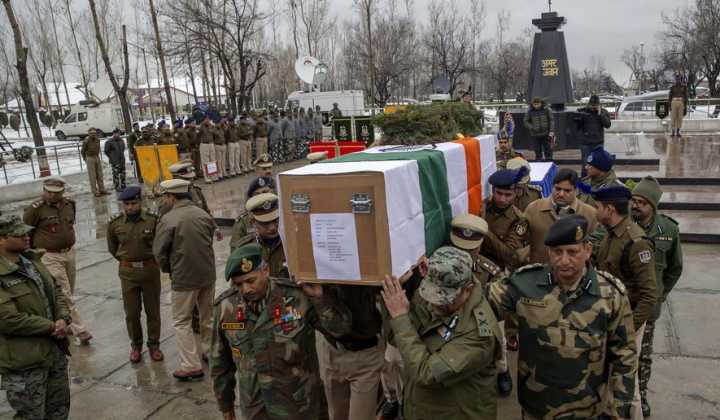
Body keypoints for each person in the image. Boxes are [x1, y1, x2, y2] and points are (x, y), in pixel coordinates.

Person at [488, 215, 638, 419]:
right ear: (549, 252)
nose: (564, 260)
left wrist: (618, 411)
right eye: (557, 252)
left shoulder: (610, 295)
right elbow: (479, 303)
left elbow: (624, 356)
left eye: (572, 252)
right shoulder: (524, 283)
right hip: (536, 407)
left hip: (587, 410)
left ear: (587, 250)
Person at [210, 244, 329, 420]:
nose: (245, 290)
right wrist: (226, 407)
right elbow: (220, 364)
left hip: (299, 407)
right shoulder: (225, 309)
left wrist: (321, 302)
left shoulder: (297, 297)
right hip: (256, 409)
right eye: (238, 284)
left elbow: (339, 332)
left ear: (265, 270)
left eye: (250, 281)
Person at [380, 246, 500, 420]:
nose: (435, 305)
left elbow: (426, 374)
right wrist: (396, 292)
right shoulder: (435, 293)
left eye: (444, 299)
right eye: (432, 295)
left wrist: (400, 318)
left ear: (468, 289)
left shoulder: (479, 335)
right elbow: (396, 337)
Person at [593, 185, 657, 420]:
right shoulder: (610, 234)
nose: (595, 210)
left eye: (597, 207)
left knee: (628, 385)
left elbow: (650, 294)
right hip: (609, 317)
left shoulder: (636, 241)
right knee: (610, 378)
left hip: (627, 322)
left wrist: (630, 329)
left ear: (609, 209)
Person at [0, 215, 72, 420]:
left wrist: (63, 318)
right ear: (1, 239)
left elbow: (56, 291)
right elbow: (7, 319)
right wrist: (51, 326)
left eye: (26, 232)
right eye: (19, 234)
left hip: (54, 352)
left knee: (58, 410)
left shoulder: (32, 261)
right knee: (30, 415)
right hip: (25, 362)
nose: (26, 236)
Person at [152, 179, 217, 381]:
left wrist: (169, 268)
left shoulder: (169, 219)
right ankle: (211, 353)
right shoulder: (203, 214)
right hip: (207, 274)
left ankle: (190, 365)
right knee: (208, 317)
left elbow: (159, 251)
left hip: (183, 278)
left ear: (171, 197)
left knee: (182, 321)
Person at [631, 176, 683, 417]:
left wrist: (661, 295)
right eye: (634, 200)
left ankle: (641, 396)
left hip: (649, 307)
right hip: (627, 302)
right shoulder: (625, 227)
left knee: (644, 357)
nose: (635, 205)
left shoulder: (669, 230)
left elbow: (675, 268)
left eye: (642, 202)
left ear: (653, 205)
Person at [24, 177, 93, 345]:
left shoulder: (70, 205)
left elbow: (69, 225)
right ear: (44, 190)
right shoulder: (35, 209)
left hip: (69, 253)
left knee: (69, 288)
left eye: (56, 193)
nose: (52, 195)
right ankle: (80, 329)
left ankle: (65, 320)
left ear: (62, 192)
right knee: (64, 292)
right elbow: (27, 232)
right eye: (48, 192)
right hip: (49, 255)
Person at [448, 214, 512, 397]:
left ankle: (502, 370)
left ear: (480, 245)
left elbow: (501, 301)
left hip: (484, 315)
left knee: (499, 340)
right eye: (460, 247)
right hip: (453, 317)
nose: (465, 253)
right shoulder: (442, 264)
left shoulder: (489, 269)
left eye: (471, 248)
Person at [106, 186, 164, 363]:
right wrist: (128, 262)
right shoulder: (115, 223)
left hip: (149, 271)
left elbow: (160, 244)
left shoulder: (152, 220)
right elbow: (113, 248)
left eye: (133, 203)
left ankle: (154, 345)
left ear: (140, 202)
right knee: (132, 313)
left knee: (152, 311)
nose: (130, 207)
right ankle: (136, 346)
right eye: (127, 204)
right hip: (128, 273)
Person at [524, 168, 598, 264]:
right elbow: (520, 240)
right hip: (539, 273)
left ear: (576, 191)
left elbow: (594, 246)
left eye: (567, 191)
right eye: (558, 189)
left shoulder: (589, 214)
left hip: (571, 273)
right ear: (552, 187)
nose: (561, 194)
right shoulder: (534, 209)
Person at [481, 168, 529, 271]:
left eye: (508, 195)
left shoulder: (519, 220)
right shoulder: (482, 207)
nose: (502, 199)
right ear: (493, 190)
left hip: (497, 268)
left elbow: (509, 254)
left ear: (516, 194)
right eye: (499, 193)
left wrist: (484, 230)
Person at [229, 176, 276, 252]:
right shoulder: (243, 222)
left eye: (265, 192)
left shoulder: (283, 214)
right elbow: (235, 251)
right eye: (257, 194)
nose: (261, 196)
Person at [575, 95, 612, 176]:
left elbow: (608, 125)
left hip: (598, 142)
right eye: (592, 105)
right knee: (585, 163)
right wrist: (581, 116)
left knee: (598, 163)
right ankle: (584, 181)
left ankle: (597, 181)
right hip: (585, 143)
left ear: (599, 105)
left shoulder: (603, 112)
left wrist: (600, 114)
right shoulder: (583, 111)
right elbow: (577, 127)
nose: (593, 107)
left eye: (595, 105)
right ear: (589, 104)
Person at [81, 127, 110, 197]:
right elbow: (82, 151)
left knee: (100, 174)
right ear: (88, 134)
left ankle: (102, 189)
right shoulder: (86, 140)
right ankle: (94, 191)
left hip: (97, 157)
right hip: (90, 157)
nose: (93, 134)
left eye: (94, 133)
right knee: (92, 176)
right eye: (91, 133)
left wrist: (98, 157)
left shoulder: (97, 140)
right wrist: (85, 158)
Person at [523, 97, 554, 161]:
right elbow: (525, 121)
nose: (536, 106)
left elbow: (551, 120)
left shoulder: (546, 110)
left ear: (541, 103)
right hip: (535, 134)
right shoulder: (530, 111)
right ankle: (538, 161)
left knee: (548, 149)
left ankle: (549, 160)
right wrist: (532, 127)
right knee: (537, 149)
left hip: (546, 133)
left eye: (538, 104)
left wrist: (551, 130)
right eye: (535, 104)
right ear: (533, 104)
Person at [198, 117, 217, 183]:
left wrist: (212, 126)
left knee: (212, 160)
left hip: (211, 144)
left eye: (208, 119)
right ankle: (207, 178)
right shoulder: (201, 127)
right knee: (205, 161)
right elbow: (198, 133)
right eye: (206, 119)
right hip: (204, 144)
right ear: (203, 120)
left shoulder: (210, 126)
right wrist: (203, 124)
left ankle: (213, 176)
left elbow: (215, 133)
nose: (208, 121)